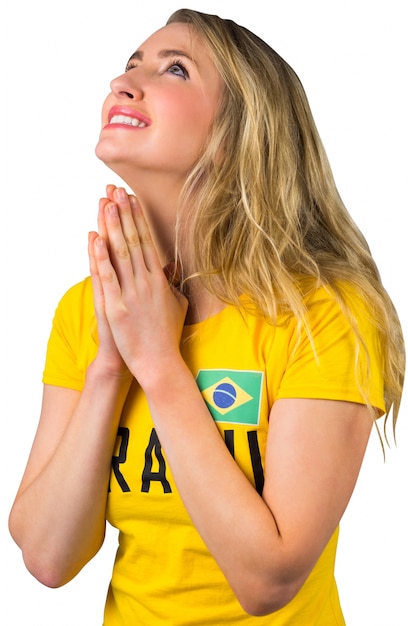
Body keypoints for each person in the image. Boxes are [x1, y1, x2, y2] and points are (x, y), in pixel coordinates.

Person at [8, 8, 405, 625]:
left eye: (175, 69)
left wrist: (158, 364)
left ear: (238, 134)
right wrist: (111, 365)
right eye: (129, 64)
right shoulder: (85, 310)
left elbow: (267, 578)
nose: (125, 82)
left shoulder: (326, 314)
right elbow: (48, 557)